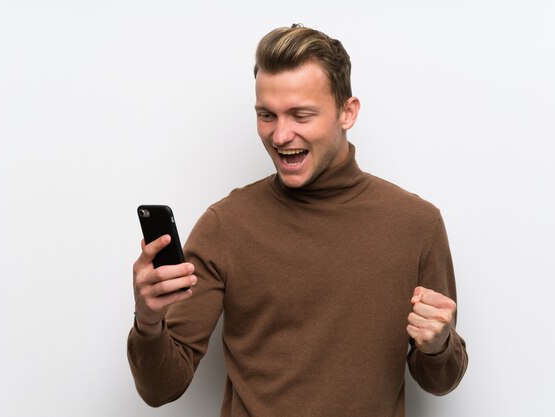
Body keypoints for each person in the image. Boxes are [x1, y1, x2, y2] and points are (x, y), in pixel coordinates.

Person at [128, 24, 468, 417]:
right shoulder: (227, 224)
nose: (280, 135)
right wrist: (148, 323)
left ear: (347, 112)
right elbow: (162, 389)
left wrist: (439, 344)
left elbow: (440, 381)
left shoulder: (417, 225)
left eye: (300, 115)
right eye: (266, 115)